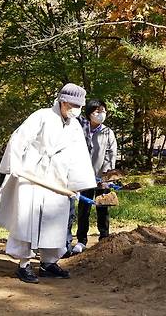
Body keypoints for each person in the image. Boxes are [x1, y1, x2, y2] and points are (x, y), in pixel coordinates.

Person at [0, 83, 96, 284]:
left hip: (58, 179)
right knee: (27, 221)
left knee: (55, 222)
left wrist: (77, 182)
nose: (77, 109)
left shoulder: (74, 125)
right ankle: (24, 265)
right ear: (63, 101)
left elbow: (79, 155)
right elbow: (19, 139)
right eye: (73, 104)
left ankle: (48, 264)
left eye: (79, 106)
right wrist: (16, 165)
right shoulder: (42, 116)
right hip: (33, 176)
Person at [68, 99, 118, 255]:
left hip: (101, 177)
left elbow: (111, 154)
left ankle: (104, 238)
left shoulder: (107, 132)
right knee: (84, 209)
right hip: (83, 176)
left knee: (103, 207)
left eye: (103, 110)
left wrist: (106, 176)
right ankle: (81, 240)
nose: (101, 113)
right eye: (97, 111)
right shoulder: (81, 129)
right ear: (89, 114)